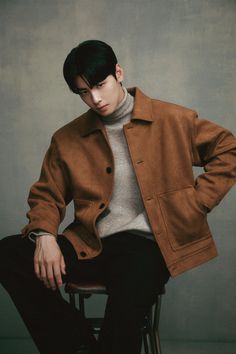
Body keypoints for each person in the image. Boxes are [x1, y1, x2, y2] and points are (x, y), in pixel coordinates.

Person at [0, 40, 236, 354]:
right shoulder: (67, 138)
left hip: (147, 246)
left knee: (123, 318)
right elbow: (47, 194)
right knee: (8, 253)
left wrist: (195, 203)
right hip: (89, 243)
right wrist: (44, 235)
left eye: (100, 85)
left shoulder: (172, 120)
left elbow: (228, 150)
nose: (94, 99)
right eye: (83, 92)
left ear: (119, 73)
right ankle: (78, 344)